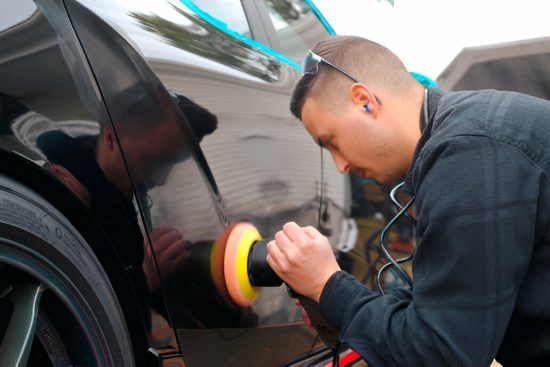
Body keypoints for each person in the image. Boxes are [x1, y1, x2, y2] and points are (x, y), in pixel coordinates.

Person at [266, 35, 550, 366]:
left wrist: (326, 284)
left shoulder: (469, 155)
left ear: (363, 100)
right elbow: (450, 306)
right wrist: (336, 302)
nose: (339, 166)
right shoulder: (471, 130)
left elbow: (442, 355)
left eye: (331, 142)